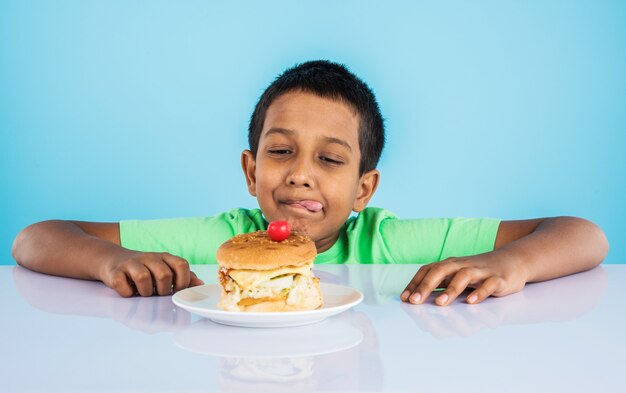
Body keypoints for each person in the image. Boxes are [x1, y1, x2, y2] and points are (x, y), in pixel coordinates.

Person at [11, 60, 609, 306]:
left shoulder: (390, 242)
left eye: (331, 159)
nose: (301, 172)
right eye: (280, 152)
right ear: (251, 172)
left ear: (364, 190)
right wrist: (112, 262)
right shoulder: (221, 240)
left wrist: (511, 266)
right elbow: (35, 238)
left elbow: (583, 236)